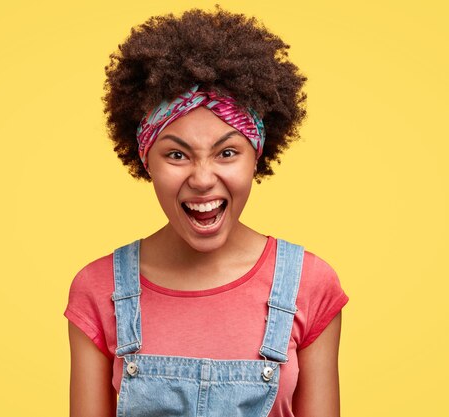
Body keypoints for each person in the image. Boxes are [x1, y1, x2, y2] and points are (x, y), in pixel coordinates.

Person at [64, 7, 349, 417]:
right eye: (177, 154)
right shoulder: (97, 290)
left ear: (257, 156)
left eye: (227, 152)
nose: (202, 178)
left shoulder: (310, 285)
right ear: (147, 161)